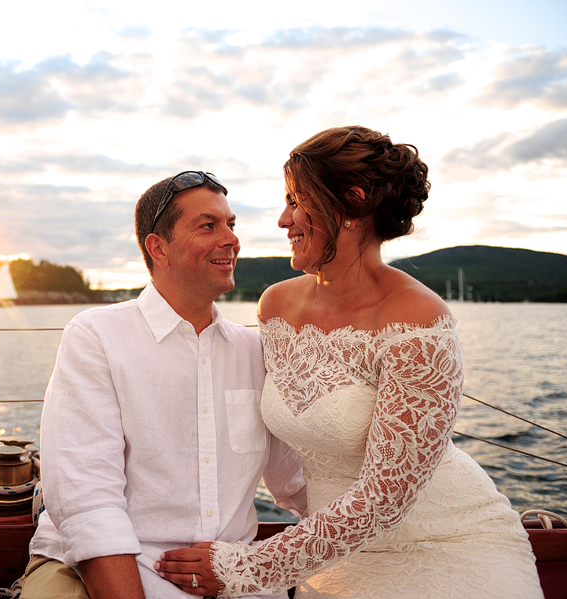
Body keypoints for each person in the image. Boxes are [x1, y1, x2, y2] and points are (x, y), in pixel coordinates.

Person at [155, 127, 544, 598]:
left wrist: (246, 568)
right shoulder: (276, 306)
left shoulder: (417, 319)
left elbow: (386, 498)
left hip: (449, 543)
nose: (283, 220)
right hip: (336, 555)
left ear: (353, 205)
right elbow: (274, 445)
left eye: (297, 202)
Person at [19, 171, 307, 599]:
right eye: (209, 226)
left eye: (231, 225)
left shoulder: (257, 353)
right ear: (158, 247)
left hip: (227, 575)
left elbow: (297, 482)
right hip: (95, 571)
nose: (231, 240)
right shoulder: (96, 335)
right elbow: (88, 500)